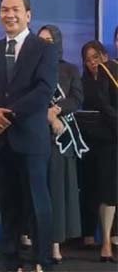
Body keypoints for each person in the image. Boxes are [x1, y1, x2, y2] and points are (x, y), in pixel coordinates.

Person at [0, 0, 57, 272]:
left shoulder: (44, 49)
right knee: (8, 204)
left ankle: (41, 260)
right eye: (4, 9)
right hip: (0, 139)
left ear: (28, 15)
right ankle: (10, 260)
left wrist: (7, 115)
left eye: (15, 9)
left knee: (37, 204)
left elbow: (44, 90)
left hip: (30, 138)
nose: (9, 14)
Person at [37, 25, 85, 263]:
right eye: (40, 40)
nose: (44, 44)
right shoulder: (30, 68)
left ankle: (55, 244)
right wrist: (46, 116)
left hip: (61, 139)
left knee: (56, 192)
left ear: (57, 42)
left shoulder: (69, 69)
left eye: (49, 40)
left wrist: (55, 112)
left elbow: (77, 98)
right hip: (35, 136)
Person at [80, 40, 117, 263]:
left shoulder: (114, 76)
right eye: (88, 60)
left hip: (112, 141)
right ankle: (98, 238)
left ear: (104, 55)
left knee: (110, 192)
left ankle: (108, 241)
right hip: (93, 144)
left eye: (96, 57)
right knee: (95, 190)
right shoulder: (84, 83)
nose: (93, 63)